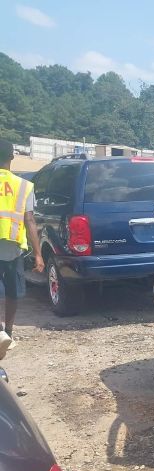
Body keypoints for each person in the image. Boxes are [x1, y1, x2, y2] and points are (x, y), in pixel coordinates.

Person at [0, 140, 44, 359]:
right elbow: (30, 220)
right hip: (14, 248)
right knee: (12, 292)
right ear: (12, 158)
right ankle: (8, 330)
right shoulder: (24, 185)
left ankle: (0, 333)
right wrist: (38, 254)